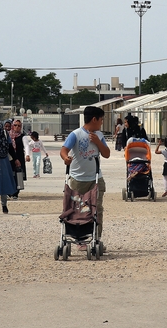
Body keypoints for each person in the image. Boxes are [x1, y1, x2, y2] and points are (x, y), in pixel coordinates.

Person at [60, 106, 111, 251]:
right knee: (77, 209)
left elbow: (106, 154)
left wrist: (98, 142)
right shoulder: (75, 134)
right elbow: (64, 150)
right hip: (77, 179)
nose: (101, 123)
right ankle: (79, 239)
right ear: (94, 119)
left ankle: (96, 238)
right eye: (101, 120)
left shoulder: (99, 135)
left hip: (95, 178)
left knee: (97, 209)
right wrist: (66, 158)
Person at [8, 119, 27, 198]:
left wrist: (28, 154)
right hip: (9, 158)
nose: (17, 127)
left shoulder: (22, 136)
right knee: (9, 175)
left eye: (19, 126)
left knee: (18, 175)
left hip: (19, 158)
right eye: (15, 125)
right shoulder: (8, 135)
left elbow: (26, 146)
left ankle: (16, 192)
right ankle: (9, 191)